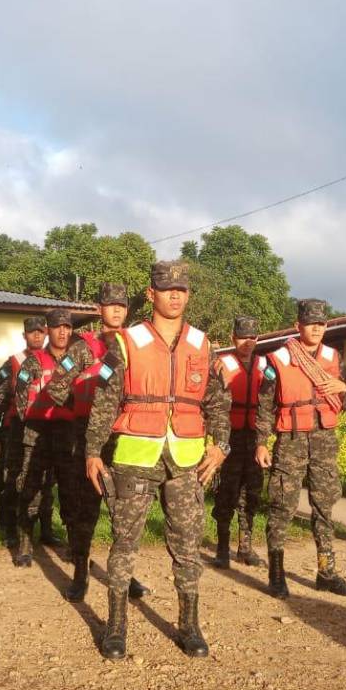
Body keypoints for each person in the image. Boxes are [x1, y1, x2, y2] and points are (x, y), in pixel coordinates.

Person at [85, 260, 230, 660]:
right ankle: (115, 628)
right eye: (167, 289)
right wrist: (93, 452)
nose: (174, 296)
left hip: (187, 460)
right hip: (134, 455)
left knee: (187, 544)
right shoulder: (126, 341)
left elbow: (219, 402)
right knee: (124, 542)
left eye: (181, 290)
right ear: (151, 295)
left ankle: (189, 625)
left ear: (188, 295)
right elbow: (104, 401)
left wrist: (222, 447)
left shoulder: (202, 343)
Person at [40, 282, 149, 602]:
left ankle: (124, 574)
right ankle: (80, 572)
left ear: (127, 310)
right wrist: (89, 387)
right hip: (85, 434)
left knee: (126, 509)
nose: (116, 309)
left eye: (121, 305)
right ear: (99, 308)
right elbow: (57, 389)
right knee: (81, 508)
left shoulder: (138, 345)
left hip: (126, 434)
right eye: (109, 304)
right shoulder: (82, 347)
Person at [255, 299, 346, 598]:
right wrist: (261, 443)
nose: (316, 328)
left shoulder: (335, 358)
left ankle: (327, 572)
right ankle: (276, 574)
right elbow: (264, 406)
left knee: (324, 506)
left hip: (324, 439)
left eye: (321, 323)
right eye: (310, 323)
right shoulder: (278, 359)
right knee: (282, 505)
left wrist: (345, 388)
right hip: (290, 440)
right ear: (298, 325)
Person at [13, 308, 83, 567]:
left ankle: (74, 546)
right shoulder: (32, 363)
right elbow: (20, 398)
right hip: (38, 434)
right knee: (30, 489)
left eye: (67, 327)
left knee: (69, 490)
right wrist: (32, 422)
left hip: (67, 436)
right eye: (57, 327)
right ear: (48, 331)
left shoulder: (77, 362)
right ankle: (25, 545)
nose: (63, 331)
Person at [0, 317, 57, 547]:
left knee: (47, 482)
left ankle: (46, 531)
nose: (37, 336)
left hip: (46, 431)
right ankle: (9, 530)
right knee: (10, 480)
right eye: (32, 332)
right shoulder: (13, 363)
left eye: (40, 332)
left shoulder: (58, 360)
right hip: (14, 431)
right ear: (24, 335)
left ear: (46, 334)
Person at [211, 316, 266, 569]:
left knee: (251, 493)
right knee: (227, 493)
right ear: (234, 338)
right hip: (229, 436)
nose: (248, 342)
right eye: (243, 337)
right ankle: (222, 548)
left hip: (254, 437)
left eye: (252, 337)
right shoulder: (222, 364)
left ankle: (245, 547)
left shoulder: (264, 366)